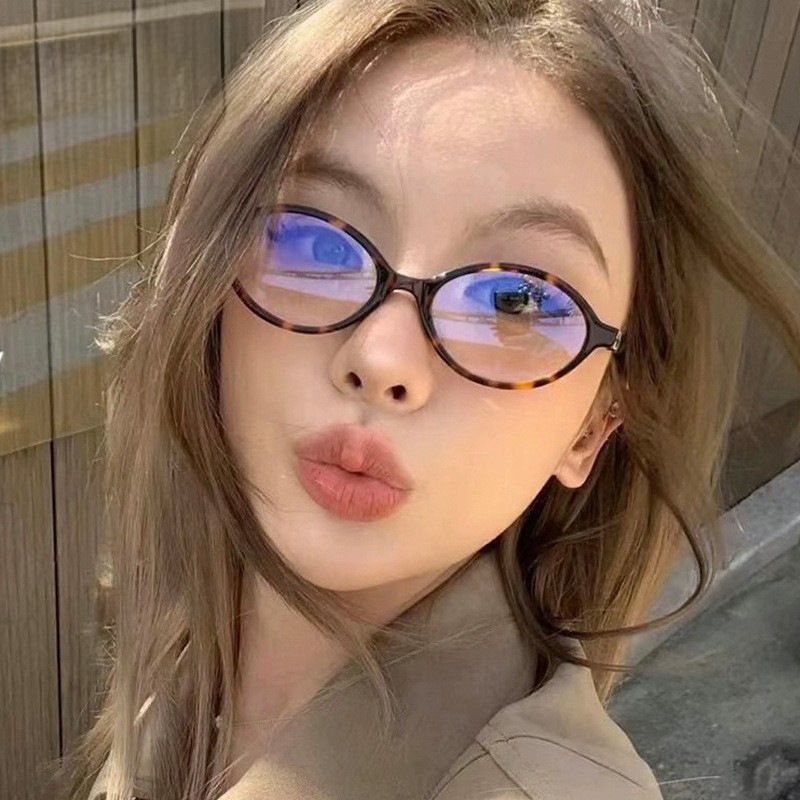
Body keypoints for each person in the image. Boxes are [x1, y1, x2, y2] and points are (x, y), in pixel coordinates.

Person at [53, 0, 800, 798]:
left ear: (593, 425)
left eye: (515, 303)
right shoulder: (181, 645)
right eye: (312, 240)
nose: (382, 359)